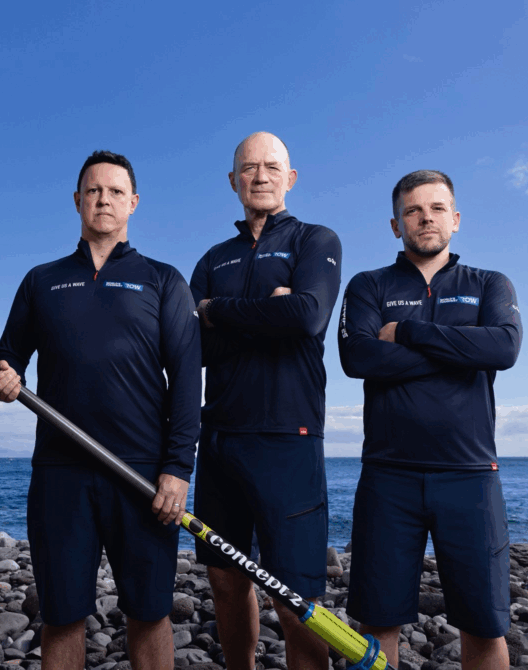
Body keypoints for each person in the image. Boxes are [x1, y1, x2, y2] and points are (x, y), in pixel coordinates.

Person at [0, 150, 201, 670]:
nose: (104, 199)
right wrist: (4, 377)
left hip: (142, 473)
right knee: (62, 616)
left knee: (149, 612)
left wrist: (177, 469)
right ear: (78, 200)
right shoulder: (42, 280)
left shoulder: (163, 279)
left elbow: (187, 380)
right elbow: (8, 357)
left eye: (115, 191)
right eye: (94, 190)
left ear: (133, 202)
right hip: (61, 471)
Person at [338, 170, 522, 670]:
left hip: (470, 476)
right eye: (413, 210)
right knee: (377, 625)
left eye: (437, 208)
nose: (426, 218)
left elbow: (503, 348)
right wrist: (462, 352)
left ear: (455, 219)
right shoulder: (368, 284)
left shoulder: (489, 283)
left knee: (484, 625)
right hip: (388, 477)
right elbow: (359, 358)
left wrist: (408, 332)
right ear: (395, 225)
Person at [190, 132, 342, 670]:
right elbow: (194, 347)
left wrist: (219, 311)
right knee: (226, 581)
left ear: (290, 178)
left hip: (289, 438)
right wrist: (268, 311)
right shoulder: (214, 259)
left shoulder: (315, 240)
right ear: (233, 181)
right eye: (249, 168)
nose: (260, 176)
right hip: (220, 440)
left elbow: (307, 316)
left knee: (296, 598)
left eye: (271, 167)